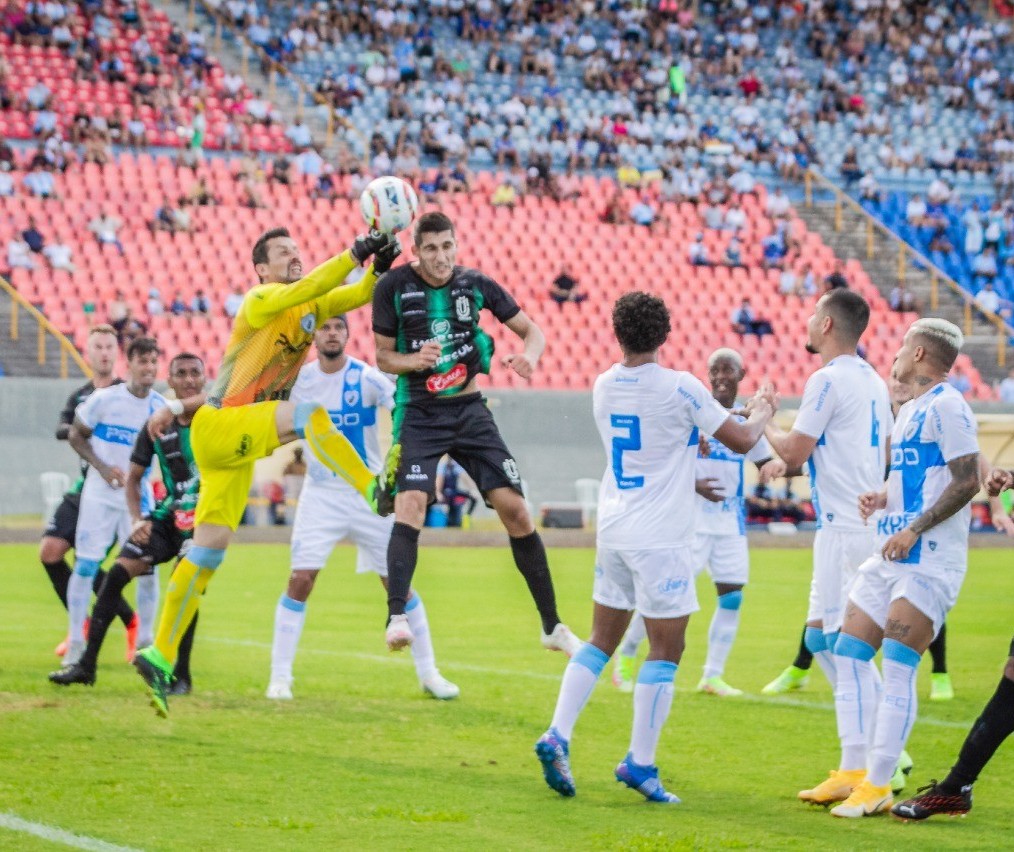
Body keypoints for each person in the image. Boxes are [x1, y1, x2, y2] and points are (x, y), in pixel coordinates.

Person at [131, 227, 400, 716]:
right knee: (306, 417)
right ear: (261, 268)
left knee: (208, 552)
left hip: (229, 442)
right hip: (221, 424)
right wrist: (354, 251)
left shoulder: (310, 306)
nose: (294, 257)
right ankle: (371, 488)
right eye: (283, 253)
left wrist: (378, 266)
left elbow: (357, 293)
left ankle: (159, 654)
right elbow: (306, 288)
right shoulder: (259, 300)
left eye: (297, 251)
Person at [534, 292, 776, 803]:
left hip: (615, 528)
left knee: (601, 640)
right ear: (665, 334)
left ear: (616, 333)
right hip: (660, 537)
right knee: (668, 647)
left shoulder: (602, 385)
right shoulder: (681, 387)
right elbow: (739, 439)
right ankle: (640, 763)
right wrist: (762, 412)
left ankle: (558, 733)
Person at [369, 211, 581, 658]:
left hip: (468, 410)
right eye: (431, 248)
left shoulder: (475, 284)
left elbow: (532, 331)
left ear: (456, 243)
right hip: (419, 412)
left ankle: (552, 626)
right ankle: (396, 615)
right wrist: (415, 361)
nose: (441, 256)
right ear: (416, 251)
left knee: (516, 511)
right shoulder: (392, 287)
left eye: (448, 246)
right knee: (412, 504)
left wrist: (530, 356)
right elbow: (384, 358)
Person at [825, 318, 980, 819]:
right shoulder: (911, 410)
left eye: (900, 347)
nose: (893, 355)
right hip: (889, 553)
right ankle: (854, 771)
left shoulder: (950, 406)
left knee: (896, 664)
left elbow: (967, 480)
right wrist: (884, 496)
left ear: (917, 355)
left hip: (927, 560)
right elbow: (915, 478)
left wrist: (915, 527)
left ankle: (879, 782)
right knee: (848, 649)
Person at [267, 315, 458, 701]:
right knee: (300, 579)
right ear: (315, 335)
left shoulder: (366, 377)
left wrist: (412, 461)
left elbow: (404, 408)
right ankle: (279, 678)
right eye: (325, 327)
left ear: (347, 334)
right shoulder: (301, 381)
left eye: (339, 327)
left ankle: (429, 674)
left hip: (369, 494)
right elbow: (272, 417)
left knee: (397, 585)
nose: (332, 333)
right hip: (320, 495)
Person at [760, 290, 894, 806]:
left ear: (829, 322)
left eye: (814, 314)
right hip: (847, 524)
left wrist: (766, 416)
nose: (808, 321)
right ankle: (855, 762)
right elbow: (847, 452)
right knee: (821, 641)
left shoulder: (827, 378)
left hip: (845, 529)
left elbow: (795, 448)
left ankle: (874, 762)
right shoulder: (872, 380)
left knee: (850, 651)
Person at [611, 348, 785, 697]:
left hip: (730, 526)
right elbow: (662, 460)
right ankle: (626, 656)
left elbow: (763, 458)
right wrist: (694, 484)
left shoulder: (744, 421)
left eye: (727, 370)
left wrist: (772, 467)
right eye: (714, 370)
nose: (720, 376)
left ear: (741, 374)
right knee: (664, 599)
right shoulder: (695, 411)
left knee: (732, 598)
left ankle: (712, 675)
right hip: (689, 525)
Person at [49, 353, 207, 693]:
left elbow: (227, 397)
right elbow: (134, 478)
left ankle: (181, 674)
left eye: (196, 373)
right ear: (171, 381)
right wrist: (138, 519)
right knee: (117, 572)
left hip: (206, 519)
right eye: (182, 374)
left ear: (205, 379)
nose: (190, 380)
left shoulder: (215, 418)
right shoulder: (156, 425)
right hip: (167, 515)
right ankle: (86, 665)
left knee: (185, 584)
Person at [63, 337, 166, 667]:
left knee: (146, 570)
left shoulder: (160, 408)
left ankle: (145, 645)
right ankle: (76, 643)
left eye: (154, 362)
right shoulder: (104, 399)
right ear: (130, 363)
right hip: (99, 496)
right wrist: (104, 468)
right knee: (86, 566)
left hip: (140, 500)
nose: (149, 368)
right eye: (143, 361)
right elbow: (75, 435)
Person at [40, 325, 137, 658]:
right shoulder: (82, 396)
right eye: (98, 346)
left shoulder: (128, 393)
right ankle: (80, 624)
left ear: (117, 352)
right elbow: (62, 428)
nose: (105, 353)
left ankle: (132, 624)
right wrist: (84, 428)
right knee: (50, 551)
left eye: (110, 346)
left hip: (118, 491)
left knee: (88, 562)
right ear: (89, 351)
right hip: (87, 487)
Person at [436, 456, 478, 527]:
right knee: (452, 522)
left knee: (474, 498)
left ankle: (467, 516)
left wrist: (472, 490)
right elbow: (439, 480)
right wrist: (438, 493)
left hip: (454, 491)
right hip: (444, 492)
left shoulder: (456, 466)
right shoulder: (442, 466)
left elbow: (465, 478)